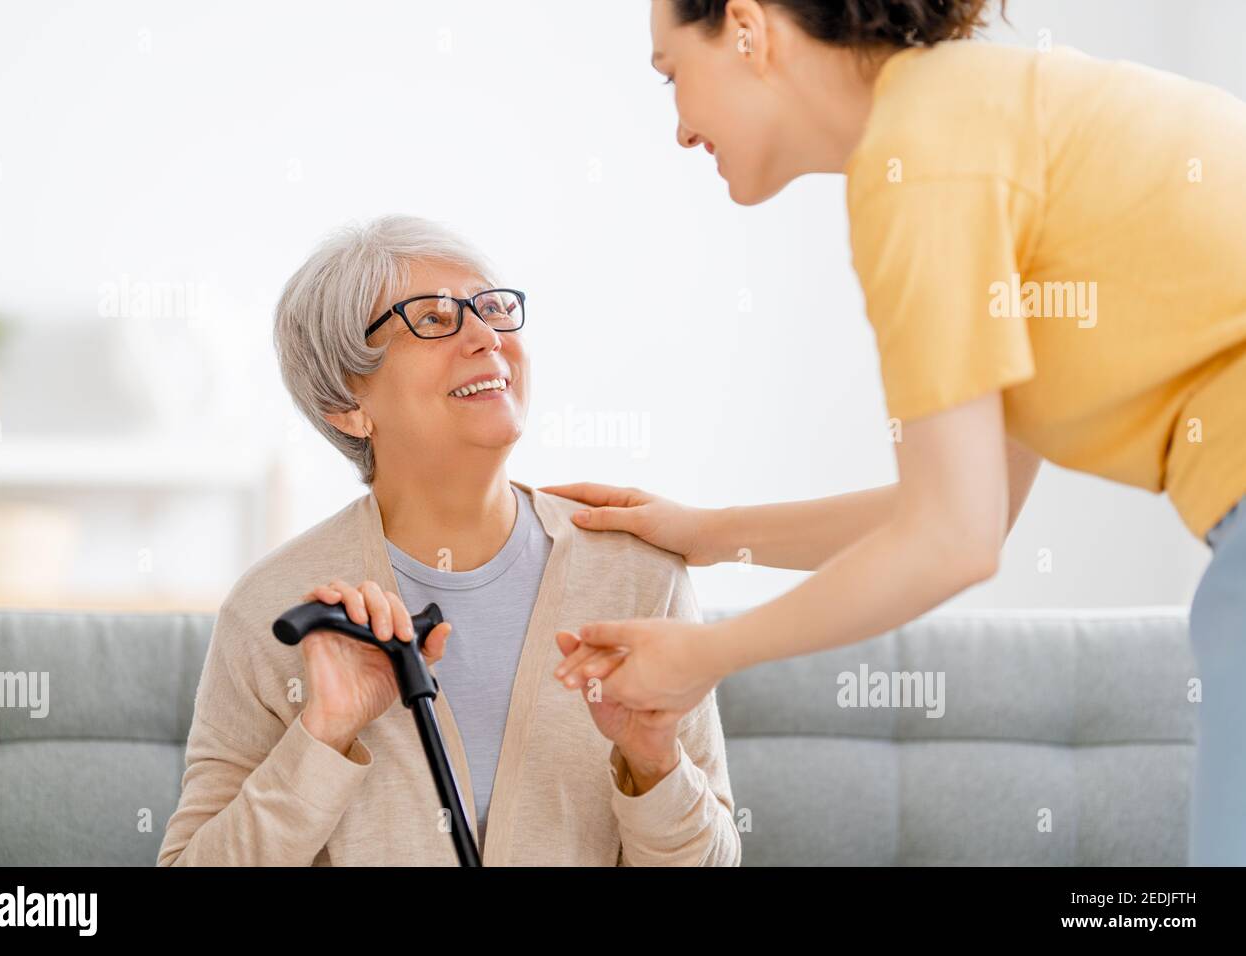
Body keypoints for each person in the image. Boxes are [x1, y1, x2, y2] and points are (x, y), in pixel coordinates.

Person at [548, 0, 1246, 865]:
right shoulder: (971, 115)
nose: (681, 131)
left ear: (745, 28)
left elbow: (950, 541)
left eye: (670, 76)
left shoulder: (921, 157)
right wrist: (710, 534)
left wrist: (705, 655)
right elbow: (967, 515)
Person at [157, 215, 740, 866]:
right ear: (348, 403)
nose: (486, 336)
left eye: (491, 309)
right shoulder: (277, 612)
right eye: (432, 319)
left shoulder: (637, 573)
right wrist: (322, 735)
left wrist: (654, 766)